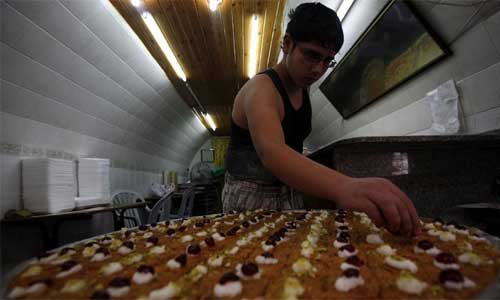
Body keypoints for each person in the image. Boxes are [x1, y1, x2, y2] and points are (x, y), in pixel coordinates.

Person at [222, 2, 420, 237]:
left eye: (327, 61)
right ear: (287, 44)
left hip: (289, 192)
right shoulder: (261, 88)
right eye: (312, 55)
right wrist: (347, 186)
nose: (318, 69)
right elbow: (272, 152)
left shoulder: (302, 88)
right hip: (249, 196)